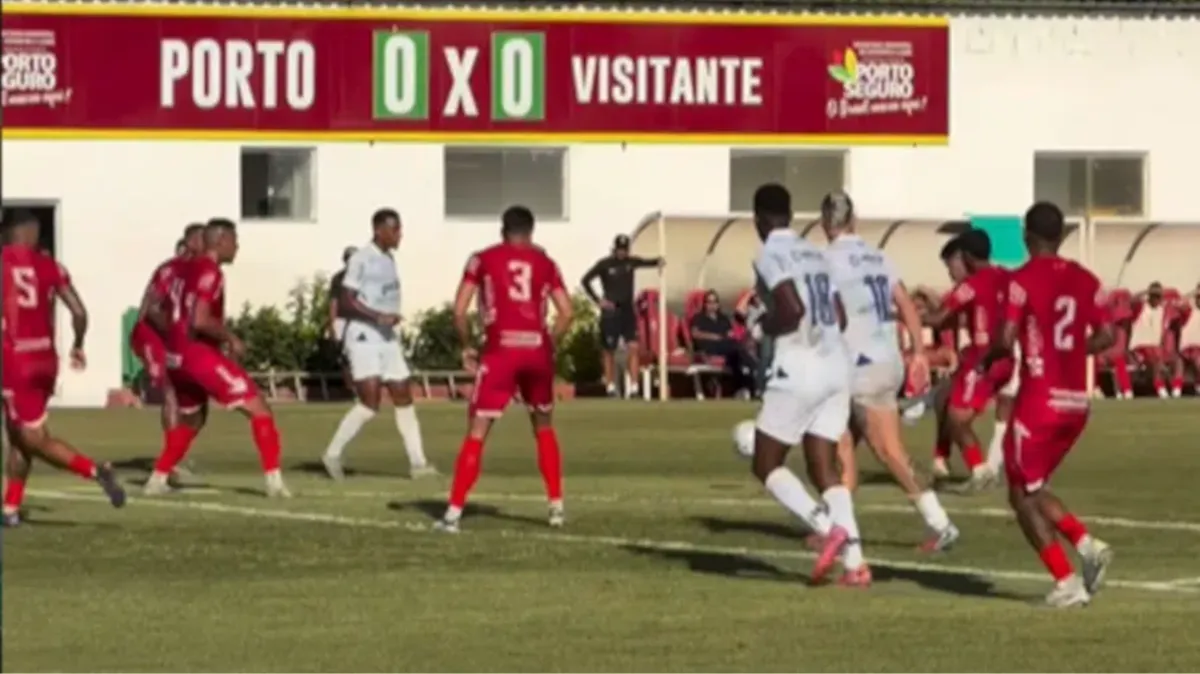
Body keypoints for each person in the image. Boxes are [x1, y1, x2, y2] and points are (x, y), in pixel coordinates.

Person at [978, 201, 1114, 607]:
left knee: (1026, 492)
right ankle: (1072, 566)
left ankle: (1079, 558)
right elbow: (1107, 335)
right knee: (1025, 490)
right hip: (1077, 404)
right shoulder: (1085, 279)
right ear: (1061, 236)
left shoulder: (1018, 282)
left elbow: (1004, 339)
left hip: (1040, 401)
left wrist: (984, 363)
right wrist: (1070, 352)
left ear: (1026, 235)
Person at [819, 191, 958, 552]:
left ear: (824, 224)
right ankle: (839, 529)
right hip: (888, 359)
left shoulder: (825, 260)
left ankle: (941, 524)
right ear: (854, 220)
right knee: (842, 442)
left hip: (858, 364)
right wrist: (917, 352)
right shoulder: (878, 256)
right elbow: (906, 305)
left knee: (888, 450)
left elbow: (830, 314)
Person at [745, 183, 869, 586]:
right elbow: (840, 316)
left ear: (759, 219)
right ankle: (856, 563)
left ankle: (825, 524)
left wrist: (762, 327)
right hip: (837, 365)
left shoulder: (770, 253)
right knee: (823, 467)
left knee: (765, 462)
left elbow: (792, 309)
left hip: (801, 366)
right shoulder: (813, 252)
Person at [434, 206, 574, 532]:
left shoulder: (481, 259)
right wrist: (549, 343)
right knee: (543, 427)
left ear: (502, 230)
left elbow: (459, 310)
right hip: (536, 350)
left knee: (477, 432)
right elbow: (566, 312)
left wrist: (467, 344)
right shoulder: (546, 263)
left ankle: (453, 514)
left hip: (501, 351)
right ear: (532, 231)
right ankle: (556, 508)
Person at [142, 218, 291, 497]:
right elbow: (199, 319)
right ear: (220, 241)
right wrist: (230, 337)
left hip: (176, 357)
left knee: (194, 420)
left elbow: (156, 308)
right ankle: (275, 483)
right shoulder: (210, 272)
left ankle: (157, 479)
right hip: (197, 354)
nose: (237, 247)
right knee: (259, 409)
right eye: (234, 241)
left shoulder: (182, 270)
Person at [2, 209, 125, 526]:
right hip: (45, 359)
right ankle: (11, 507)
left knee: (31, 437)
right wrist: (78, 344)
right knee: (17, 434)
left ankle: (95, 470)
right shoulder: (52, 266)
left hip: (14, 360)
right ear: (31, 233)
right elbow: (79, 312)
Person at [321, 210, 434, 480]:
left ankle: (419, 464)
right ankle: (332, 454)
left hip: (386, 337)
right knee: (370, 403)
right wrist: (377, 316)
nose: (399, 235)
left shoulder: (389, 258)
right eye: (395, 230)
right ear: (379, 230)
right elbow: (347, 301)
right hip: (363, 337)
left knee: (403, 396)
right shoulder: (362, 258)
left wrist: (388, 319)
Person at [922, 229, 1011, 490]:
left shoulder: (972, 285)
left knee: (957, 418)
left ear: (968, 257)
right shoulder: (1006, 276)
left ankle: (980, 470)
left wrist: (905, 316)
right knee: (944, 398)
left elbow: (940, 319)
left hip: (984, 358)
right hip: (1006, 358)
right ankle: (942, 461)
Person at [130, 224, 205, 477]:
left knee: (198, 405)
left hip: (173, 338)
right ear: (192, 242)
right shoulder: (171, 270)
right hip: (152, 334)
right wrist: (176, 334)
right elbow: (150, 310)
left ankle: (173, 456)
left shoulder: (201, 271)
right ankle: (169, 464)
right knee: (170, 391)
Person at [581, 234, 664, 398]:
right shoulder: (605, 264)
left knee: (633, 347)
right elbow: (586, 280)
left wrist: (660, 261)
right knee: (609, 350)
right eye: (620, 249)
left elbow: (649, 262)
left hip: (627, 311)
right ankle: (610, 386)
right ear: (615, 249)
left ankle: (634, 387)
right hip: (611, 312)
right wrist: (599, 300)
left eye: (625, 249)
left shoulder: (631, 262)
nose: (622, 253)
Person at [689, 290, 753, 397]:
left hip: (725, 345)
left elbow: (729, 332)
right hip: (709, 346)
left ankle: (746, 383)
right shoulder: (699, 318)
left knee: (736, 354)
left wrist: (730, 335)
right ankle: (754, 372)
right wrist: (713, 337)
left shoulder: (723, 318)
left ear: (718, 304)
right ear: (704, 304)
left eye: (714, 302)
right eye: (709, 302)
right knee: (737, 351)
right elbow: (695, 334)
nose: (712, 305)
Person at [326, 246, 357, 390]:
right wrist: (332, 324)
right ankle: (351, 388)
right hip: (342, 319)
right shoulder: (338, 279)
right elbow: (334, 302)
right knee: (343, 356)